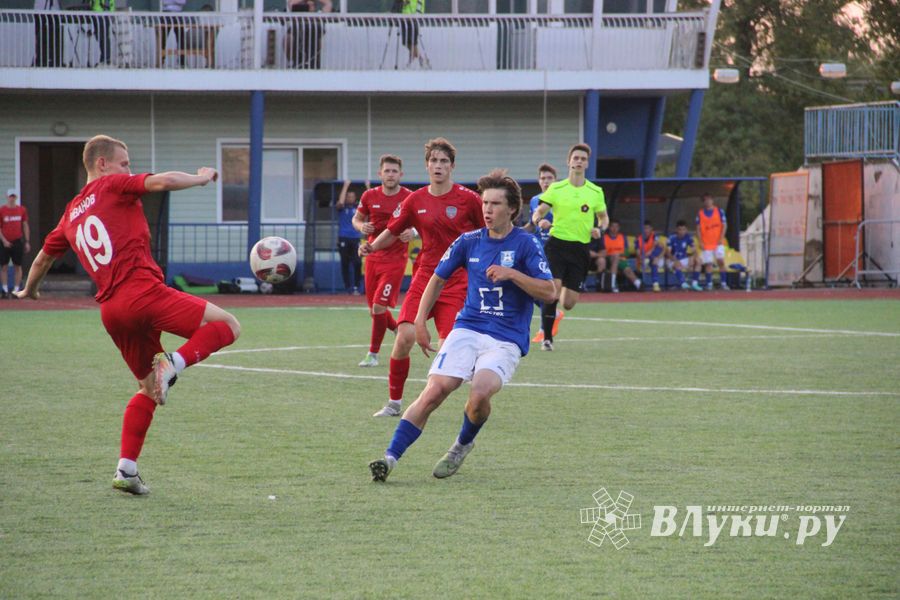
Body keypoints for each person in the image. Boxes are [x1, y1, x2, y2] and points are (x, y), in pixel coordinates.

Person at [14, 135, 241, 496]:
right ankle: (174, 362)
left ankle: (126, 469)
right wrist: (201, 178)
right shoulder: (112, 185)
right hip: (143, 292)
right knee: (228, 325)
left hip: (112, 311)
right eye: (124, 163)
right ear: (102, 164)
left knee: (149, 389)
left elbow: (42, 258)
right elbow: (163, 181)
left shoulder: (70, 213)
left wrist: (30, 290)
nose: (129, 169)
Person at [368, 169, 557, 482]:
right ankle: (389, 458)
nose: (487, 209)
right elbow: (437, 278)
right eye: (485, 203)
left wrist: (512, 274)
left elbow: (549, 292)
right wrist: (419, 320)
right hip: (468, 328)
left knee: (479, 393)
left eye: (495, 204)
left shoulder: (526, 244)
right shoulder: (469, 241)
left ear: (512, 208)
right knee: (434, 391)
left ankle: (462, 444)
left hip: (505, 338)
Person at [360, 137, 483, 417]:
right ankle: (394, 404)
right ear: (427, 165)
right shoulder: (415, 200)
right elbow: (392, 231)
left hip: (457, 281)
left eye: (444, 161)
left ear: (452, 166)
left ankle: (466, 392)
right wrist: (371, 246)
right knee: (404, 337)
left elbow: (486, 234)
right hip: (426, 277)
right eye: (434, 160)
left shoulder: (469, 199)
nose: (438, 165)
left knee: (448, 347)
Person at [530, 143, 608, 350]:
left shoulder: (595, 191)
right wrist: (539, 221)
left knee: (569, 303)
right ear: (569, 161)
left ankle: (558, 309)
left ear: (587, 163)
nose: (579, 161)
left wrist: (600, 229)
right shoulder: (556, 189)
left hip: (580, 250)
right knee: (552, 292)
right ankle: (547, 338)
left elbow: (603, 218)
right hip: (556, 246)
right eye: (576, 158)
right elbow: (538, 211)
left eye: (583, 159)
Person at [354, 155, 414, 368]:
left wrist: (413, 232)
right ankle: (398, 329)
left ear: (401, 174)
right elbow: (357, 219)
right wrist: (361, 227)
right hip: (372, 257)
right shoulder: (369, 195)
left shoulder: (409, 197)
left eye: (394, 171)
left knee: (379, 307)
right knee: (374, 310)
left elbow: (421, 222)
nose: (390, 175)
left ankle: (373, 354)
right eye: (387, 171)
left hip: (395, 260)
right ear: (380, 174)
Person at [523, 163, 561, 344]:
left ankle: (544, 328)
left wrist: (551, 225)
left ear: (555, 180)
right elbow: (532, 224)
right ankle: (553, 314)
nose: (546, 181)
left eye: (549, 178)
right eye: (543, 178)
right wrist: (516, 232)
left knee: (544, 286)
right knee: (526, 286)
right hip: (538, 249)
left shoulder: (561, 199)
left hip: (556, 249)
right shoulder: (534, 200)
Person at [595, 219, 641, 294]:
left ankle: (638, 284)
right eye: (612, 226)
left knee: (627, 269)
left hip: (620, 259)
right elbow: (602, 251)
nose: (614, 229)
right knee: (616, 258)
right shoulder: (604, 238)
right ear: (609, 227)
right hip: (608, 260)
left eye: (616, 227)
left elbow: (627, 253)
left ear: (619, 228)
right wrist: (614, 254)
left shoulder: (622, 237)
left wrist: (618, 254)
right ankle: (613, 285)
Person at [1, 188, 31, 299]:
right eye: (10, 196)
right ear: (7, 197)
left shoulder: (21, 210)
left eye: (13, 196)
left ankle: (16, 289)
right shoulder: (2, 210)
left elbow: (25, 225)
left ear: (16, 197)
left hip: (17, 240)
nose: (12, 198)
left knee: (17, 265)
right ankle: (4, 290)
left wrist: (27, 241)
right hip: (4, 242)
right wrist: (4, 241)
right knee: (4, 266)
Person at [696, 193, 729, 290]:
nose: (707, 201)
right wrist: (700, 241)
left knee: (721, 261)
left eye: (709, 199)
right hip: (706, 242)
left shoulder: (719, 211)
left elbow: (724, 225)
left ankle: (723, 283)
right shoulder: (700, 213)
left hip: (718, 242)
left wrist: (721, 238)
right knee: (708, 263)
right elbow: (698, 229)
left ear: (712, 200)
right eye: (705, 200)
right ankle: (709, 283)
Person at [285, 0, 332, 69]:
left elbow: (328, 3)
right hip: (299, 47)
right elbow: (291, 3)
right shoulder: (299, 15)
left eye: (312, 5)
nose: (310, 7)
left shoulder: (319, 16)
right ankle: (293, 62)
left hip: (313, 47)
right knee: (288, 39)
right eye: (307, 5)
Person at [335, 180, 363, 295]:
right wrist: (345, 186)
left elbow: (371, 203)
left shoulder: (358, 208)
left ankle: (356, 286)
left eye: (352, 196)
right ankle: (347, 287)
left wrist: (367, 186)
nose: (350, 198)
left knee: (358, 262)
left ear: (355, 198)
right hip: (344, 238)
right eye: (348, 196)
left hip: (356, 238)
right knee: (345, 263)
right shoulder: (341, 207)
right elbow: (340, 202)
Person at [666, 219, 702, 291]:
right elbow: (668, 253)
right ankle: (683, 283)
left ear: (686, 230)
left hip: (683, 259)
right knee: (677, 265)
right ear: (676, 230)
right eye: (680, 229)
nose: (682, 232)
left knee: (698, 260)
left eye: (684, 229)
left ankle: (694, 284)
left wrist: (692, 257)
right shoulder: (671, 238)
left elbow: (694, 250)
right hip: (671, 260)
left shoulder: (688, 237)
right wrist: (675, 260)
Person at [394, 0, 428, 69]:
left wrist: (416, 15)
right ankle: (419, 58)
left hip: (413, 18)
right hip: (404, 17)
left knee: (412, 42)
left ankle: (418, 59)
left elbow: (420, 3)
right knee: (406, 42)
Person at [636, 220, 665, 292]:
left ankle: (655, 284)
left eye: (648, 228)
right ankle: (655, 284)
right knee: (653, 262)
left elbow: (658, 247)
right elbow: (638, 253)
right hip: (643, 260)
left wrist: (654, 255)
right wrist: (643, 257)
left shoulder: (654, 236)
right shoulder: (638, 238)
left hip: (655, 259)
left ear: (651, 229)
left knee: (658, 250)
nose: (646, 230)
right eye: (644, 228)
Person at [33, 0, 62, 68]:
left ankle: (55, 60)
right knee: (41, 35)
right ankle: (40, 59)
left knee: (55, 37)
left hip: (55, 11)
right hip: (40, 9)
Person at [160, 0, 189, 68]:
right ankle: (161, 61)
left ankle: (182, 63)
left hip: (178, 14)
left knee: (181, 39)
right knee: (163, 38)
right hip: (166, 13)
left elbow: (183, 2)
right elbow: (164, 2)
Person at [90, 0, 114, 66]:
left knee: (103, 37)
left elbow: (106, 4)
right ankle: (104, 58)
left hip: (102, 13)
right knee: (101, 37)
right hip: (99, 13)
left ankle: (106, 59)